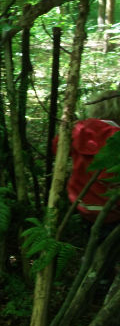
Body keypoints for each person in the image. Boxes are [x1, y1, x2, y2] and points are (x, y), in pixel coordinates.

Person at [66, 89, 120, 225]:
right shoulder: (116, 137)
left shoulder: (78, 130)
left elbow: (57, 147)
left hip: (82, 204)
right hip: (112, 210)